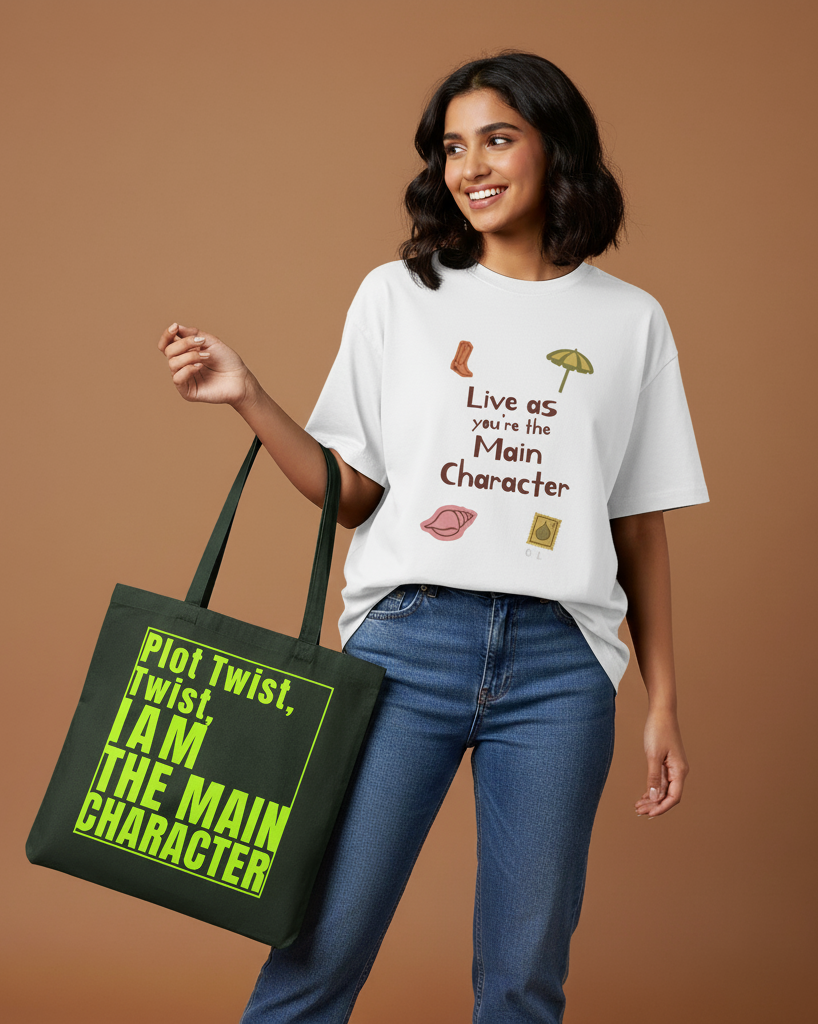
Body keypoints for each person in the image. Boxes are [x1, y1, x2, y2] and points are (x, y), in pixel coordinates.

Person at [158, 50, 708, 1024]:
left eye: (497, 137)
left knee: (523, 976)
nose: (472, 165)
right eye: (453, 146)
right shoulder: (395, 297)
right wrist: (248, 396)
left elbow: (637, 522)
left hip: (560, 665)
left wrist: (660, 696)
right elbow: (354, 493)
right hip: (407, 646)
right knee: (317, 946)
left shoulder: (629, 324)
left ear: (555, 149)